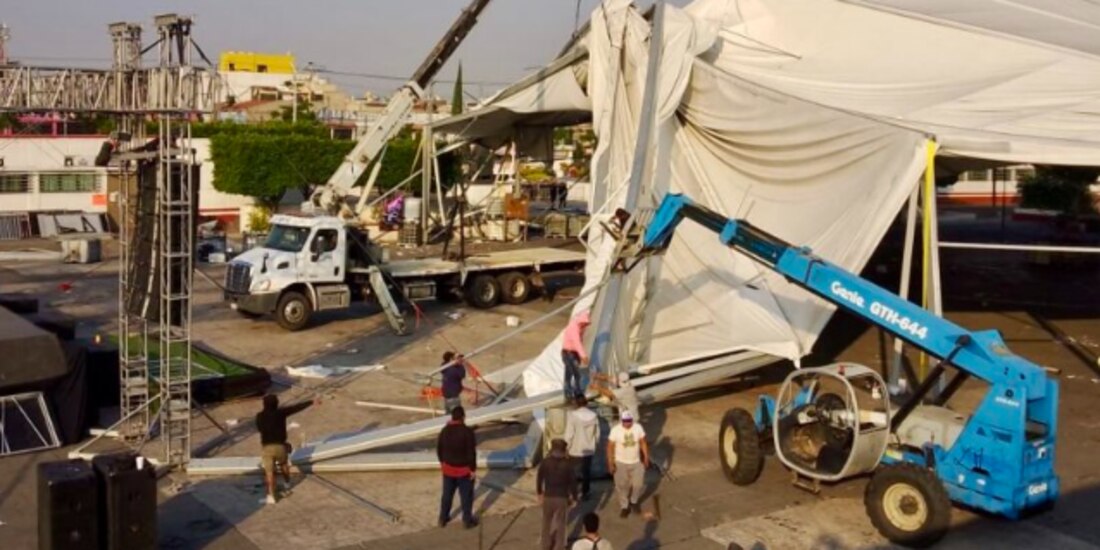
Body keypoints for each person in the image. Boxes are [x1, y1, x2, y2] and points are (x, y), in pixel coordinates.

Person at [255, 393, 319, 504]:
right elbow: (296, 408)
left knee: (269, 472)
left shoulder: (259, 416)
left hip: (267, 447)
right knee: (284, 464)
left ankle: (271, 496)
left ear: (264, 404)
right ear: (276, 403)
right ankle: (287, 483)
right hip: (281, 446)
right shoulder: (281, 413)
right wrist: (311, 402)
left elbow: (260, 429)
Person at [437, 406, 479, 529]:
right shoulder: (467, 432)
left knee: (447, 495)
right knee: (466, 496)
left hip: (448, 469)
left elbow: (439, 449)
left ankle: (442, 518)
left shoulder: (444, 431)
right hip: (464, 470)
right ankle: (467, 520)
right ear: (463, 417)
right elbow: (471, 453)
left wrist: (442, 463)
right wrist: (472, 469)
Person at [607, 410, 649, 518]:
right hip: (620, 462)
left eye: (629, 421)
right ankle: (624, 506)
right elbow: (610, 447)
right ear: (622, 421)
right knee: (621, 486)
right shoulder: (615, 430)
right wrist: (610, 463)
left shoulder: (638, 427)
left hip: (636, 461)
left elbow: (643, 442)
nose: (627, 423)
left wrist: (646, 458)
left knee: (638, 484)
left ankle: (634, 501)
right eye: (625, 421)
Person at [537, 438, 577, 550]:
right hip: (562, 497)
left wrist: (539, 493)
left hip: (548, 496)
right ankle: (559, 547)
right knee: (561, 524)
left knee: (546, 523)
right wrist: (574, 497)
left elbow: (539, 478)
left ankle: (545, 546)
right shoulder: (568, 464)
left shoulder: (545, 462)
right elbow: (573, 482)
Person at [564, 395, 599, 500]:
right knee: (586, 473)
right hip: (589, 450)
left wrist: (566, 447)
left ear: (576, 404)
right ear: (586, 403)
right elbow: (597, 434)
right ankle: (586, 493)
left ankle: (572, 493)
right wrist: (594, 445)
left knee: (572, 473)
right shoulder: (594, 415)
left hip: (575, 449)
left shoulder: (572, 416)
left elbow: (569, 434)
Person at [561, 310, 591, 399]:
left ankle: (568, 392)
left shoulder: (578, 327)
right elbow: (577, 343)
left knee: (569, 373)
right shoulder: (574, 328)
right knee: (577, 374)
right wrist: (583, 356)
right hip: (570, 353)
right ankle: (577, 392)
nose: (585, 326)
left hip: (569, 353)